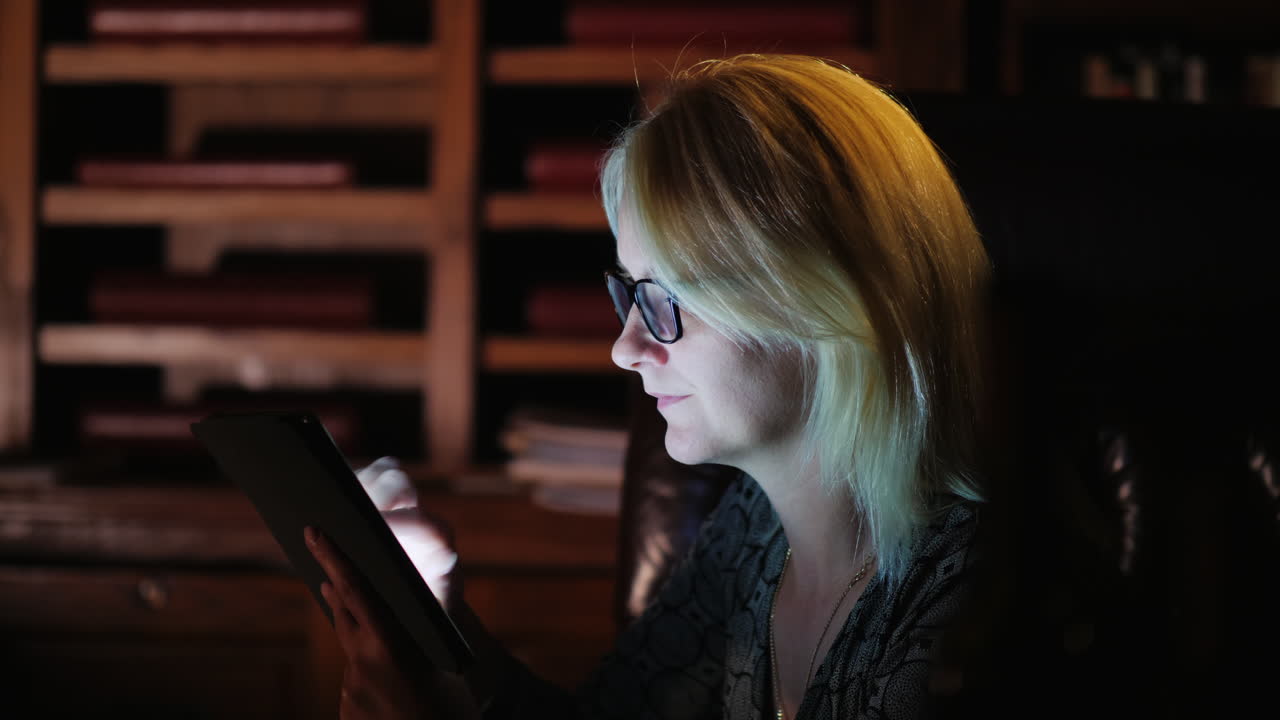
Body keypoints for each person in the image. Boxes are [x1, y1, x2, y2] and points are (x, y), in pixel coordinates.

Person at [305, 53, 997, 720]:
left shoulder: (968, 611)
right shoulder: (754, 532)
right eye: (628, 293)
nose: (624, 348)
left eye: (665, 299)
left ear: (821, 301)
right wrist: (440, 619)